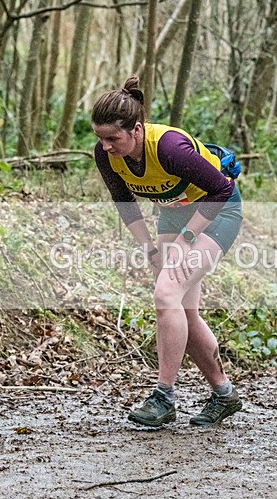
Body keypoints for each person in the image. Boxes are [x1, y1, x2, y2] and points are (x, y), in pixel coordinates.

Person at [91, 76, 243, 427]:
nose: (106, 146)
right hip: (174, 211)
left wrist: (188, 236)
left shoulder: (169, 148)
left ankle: (164, 396)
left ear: (137, 129)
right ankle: (224, 394)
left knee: (165, 293)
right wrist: (148, 247)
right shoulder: (106, 153)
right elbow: (124, 201)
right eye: (100, 138)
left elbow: (221, 190)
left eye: (113, 138)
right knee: (181, 311)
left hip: (217, 210)